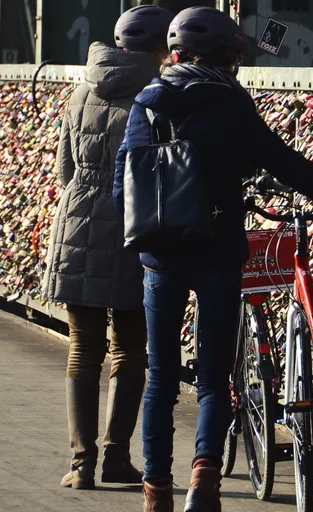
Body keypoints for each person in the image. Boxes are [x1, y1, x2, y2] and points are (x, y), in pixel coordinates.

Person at [111, 7, 313, 512]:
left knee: (159, 376)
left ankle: (156, 492)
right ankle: (204, 482)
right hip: (219, 254)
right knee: (213, 378)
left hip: (160, 258)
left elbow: (123, 187)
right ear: (225, 56)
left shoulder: (148, 102)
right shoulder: (232, 105)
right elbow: (296, 170)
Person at [42, 5, 174, 491]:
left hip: (76, 229)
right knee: (130, 352)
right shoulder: (160, 95)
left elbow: (64, 174)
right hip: (136, 230)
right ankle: (118, 459)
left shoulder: (80, 92)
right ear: (162, 47)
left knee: (82, 352)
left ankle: (81, 467)